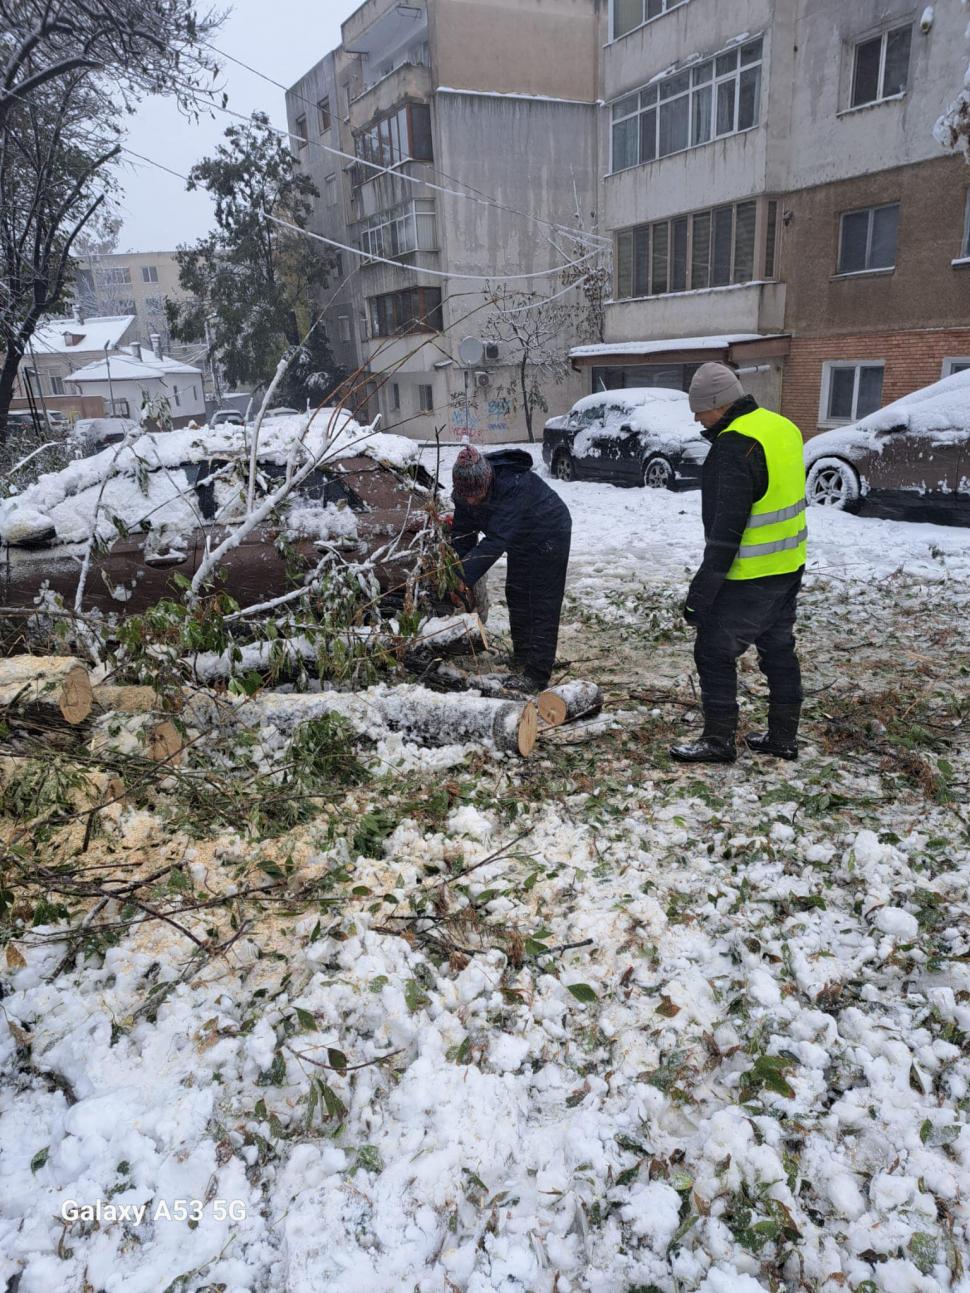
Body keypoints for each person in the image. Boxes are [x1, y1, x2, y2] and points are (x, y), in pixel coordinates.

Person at [671, 362, 807, 764]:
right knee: (779, 649)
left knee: (713, 651)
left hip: (749, 575)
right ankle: (783, 737)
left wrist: (700, 596)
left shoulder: (733, 447)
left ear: (719, 403)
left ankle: (718, 741)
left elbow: (723, 535)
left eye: (700, 409)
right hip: (789, 566)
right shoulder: (784, 428)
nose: (697, 418)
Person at [450, 444, 572, 692]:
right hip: (519, 538)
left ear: (487, 481)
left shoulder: (512, 485)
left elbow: (495, 540)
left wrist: (465, 575)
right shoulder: (464, 493)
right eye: (467, 497)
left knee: (542, 602)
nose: (471, 501)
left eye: (477, 495)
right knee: (516, 593)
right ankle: (523, 656)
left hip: (549, 530)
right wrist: (458, 575)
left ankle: (537, 675)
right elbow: (463, 534)